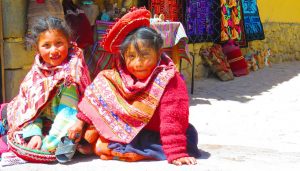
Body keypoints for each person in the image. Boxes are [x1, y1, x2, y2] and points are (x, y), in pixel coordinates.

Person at [68, 7, 201, 166]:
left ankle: (110, 148)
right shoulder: (112, 76)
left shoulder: (170, 79)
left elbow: (172, 119)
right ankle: (96, 142)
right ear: (123, 56)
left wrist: (176, 152)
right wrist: (79, 123)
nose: (138, 63)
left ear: (158, 54)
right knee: (101, 91)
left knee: (188, 138)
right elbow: (94, 100)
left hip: (156, 131)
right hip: (125, 128)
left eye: (145, 55)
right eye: (131, 56)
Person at [0, 16, 91, 159]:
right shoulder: (37, 71)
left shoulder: (72, 74)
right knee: (7, 111)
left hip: (64, 127)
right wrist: (34, 133)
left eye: (59, 43)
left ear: (68, 43)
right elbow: (30, 108)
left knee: (8, 143)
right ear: (37, 48)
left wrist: (48, 145)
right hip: (43, 122)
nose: (53, 50)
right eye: (46, 45)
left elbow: (67, 115)